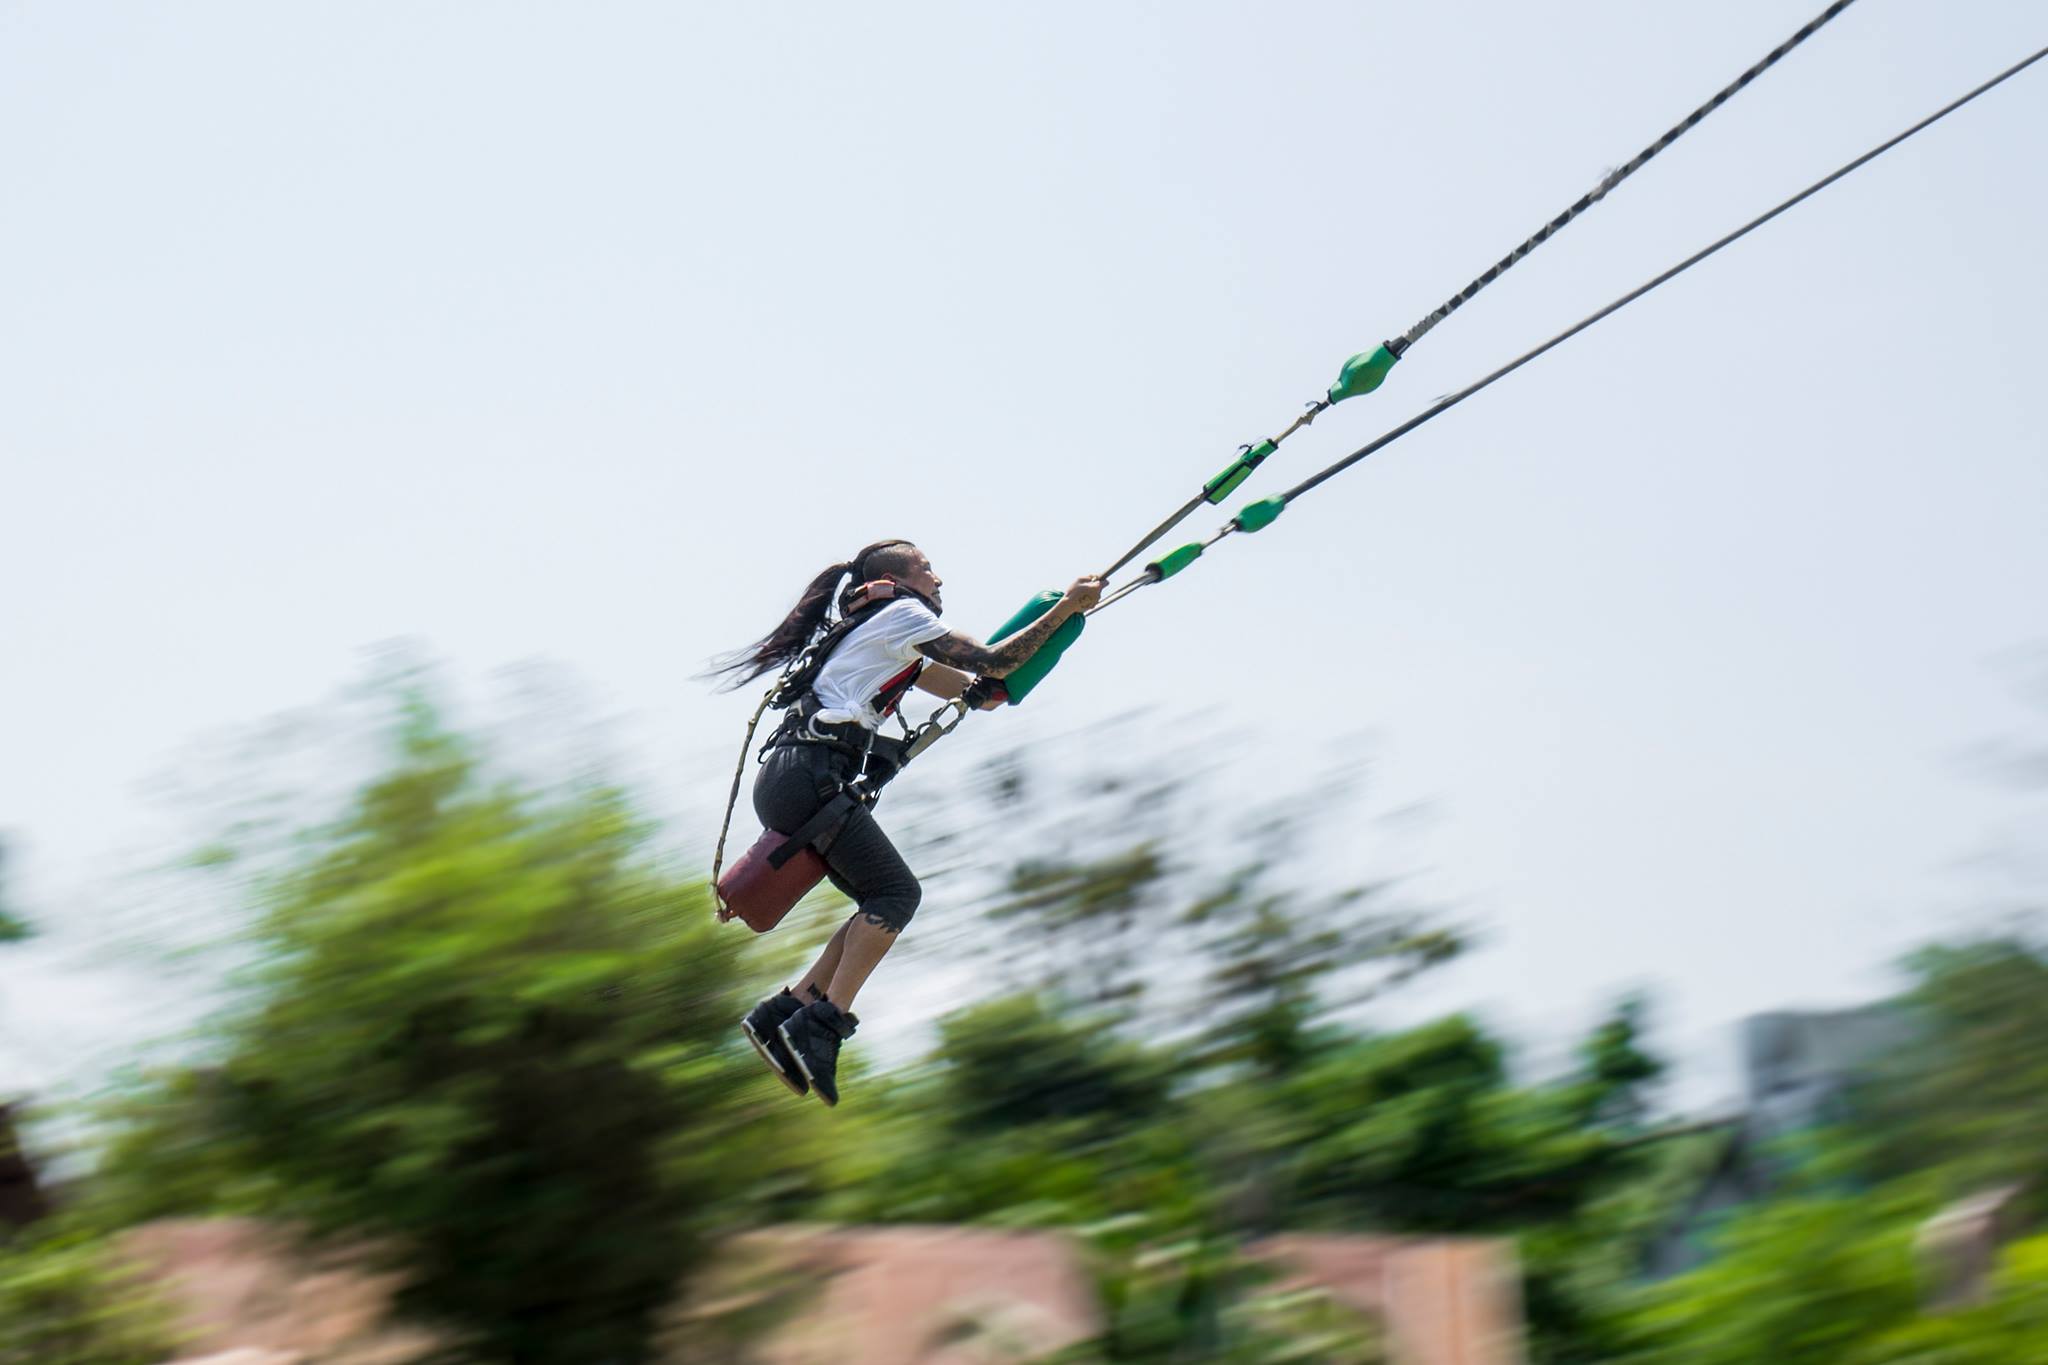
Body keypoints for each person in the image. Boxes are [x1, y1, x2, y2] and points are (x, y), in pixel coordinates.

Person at [711, 540, 1103, 1105]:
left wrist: (1060, 626)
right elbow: (990, 659)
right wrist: (1064, 607)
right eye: (926, 568)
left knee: (881, 896)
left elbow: (983, 691)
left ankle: (787, 1011)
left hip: (795, 779)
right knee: (897, 894)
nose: (938, 577)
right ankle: (821, 1023)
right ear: (897, 580)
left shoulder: (885, 636)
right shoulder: (902, 615)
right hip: (809, 777)